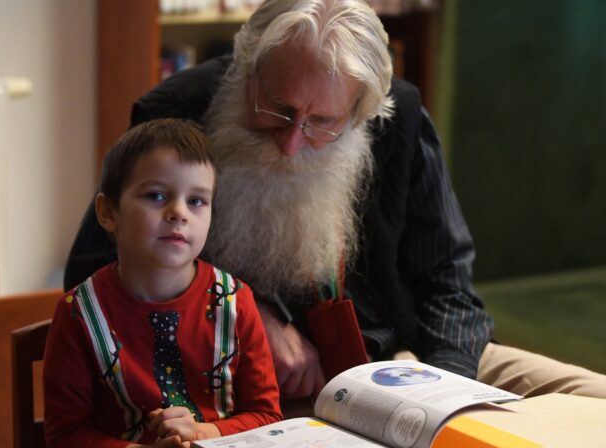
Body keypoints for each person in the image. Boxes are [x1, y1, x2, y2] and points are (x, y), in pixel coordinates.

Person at [65, 0, 606, 399]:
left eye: (322, 121)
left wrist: (446, 386)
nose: (291, 141)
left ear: (361, 113)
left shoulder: (400, 120)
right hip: (242, 375)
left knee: (589, 399)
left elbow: (446, 277)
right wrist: (241, 314)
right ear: (248, 68)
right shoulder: (176, 113)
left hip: (402, 361)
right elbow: (93, 270)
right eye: (277, 108)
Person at [44, 118, 282, 448]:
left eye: (197, 201)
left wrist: (203, 434)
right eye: (156, 195)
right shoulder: (78, 313)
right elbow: (65, 437)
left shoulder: (236, 301)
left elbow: (266, 415)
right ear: (108, 212)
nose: (179, 213)